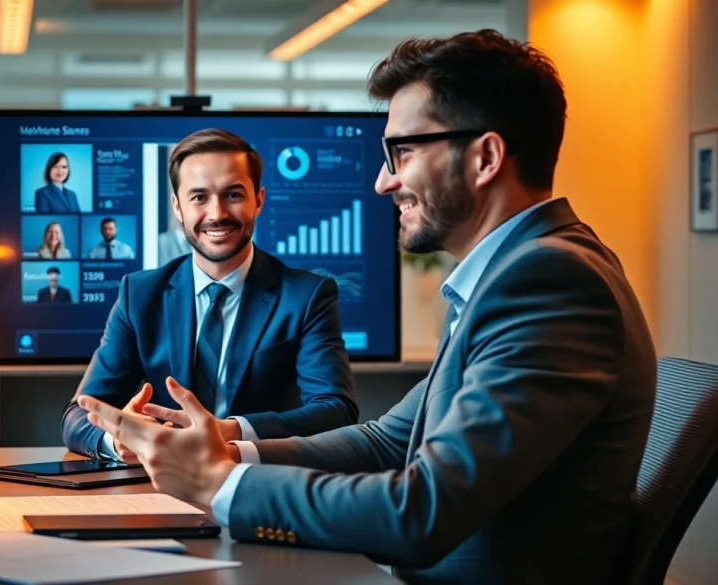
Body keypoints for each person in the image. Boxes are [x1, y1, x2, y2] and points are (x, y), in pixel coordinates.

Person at [77, 30, 657, 585]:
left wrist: (217, 484)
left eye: (400, 152)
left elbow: (422, 511)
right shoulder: (516, 273)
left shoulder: (548, 280)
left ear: (484, 158)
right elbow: (386, 441)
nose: (383, 182)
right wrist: (231, 450)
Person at [63, 128, 359, 462]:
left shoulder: (307, 295)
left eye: (233, 194)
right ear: (177, 207)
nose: (216, 213)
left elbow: (337, 411)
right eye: (199, 197)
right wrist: (118, 440)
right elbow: (79, 415)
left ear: (258, 200)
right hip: (161, 488)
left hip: (262, 483)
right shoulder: (140, 295)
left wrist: (233, 432)